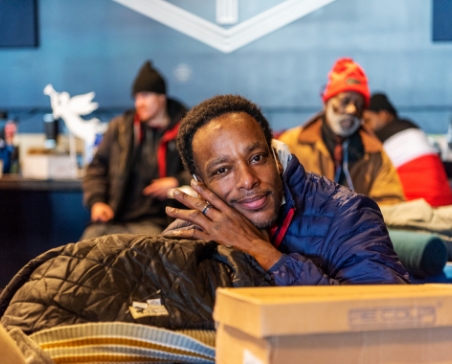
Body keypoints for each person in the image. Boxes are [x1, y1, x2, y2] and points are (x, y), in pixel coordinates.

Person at [162, 94, 409, 285]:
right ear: (201, 183)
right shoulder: (193, 231)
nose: (248, 180)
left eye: (257, 158)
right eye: (223, 170)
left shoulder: (351, 216)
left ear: (276, 156)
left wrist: (264, 253)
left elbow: (387, 313)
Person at [81, 61, 190, 239]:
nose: (139, 103)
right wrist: (97, 202)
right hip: (115, 218)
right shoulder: (121, 128)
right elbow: (96, 168)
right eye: (136, 97)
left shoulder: (187, 129)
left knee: (139, 255)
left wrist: (176, 182)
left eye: (145, 96)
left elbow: (203, 173)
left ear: (161, 97)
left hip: (158, 222)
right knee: (84, 251)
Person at [278, 58, 405, 206]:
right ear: (326, 103)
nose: (352, 110)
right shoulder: (292, 144)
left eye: (358, 104)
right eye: (345, 101)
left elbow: (392, 204)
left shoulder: (376, 154)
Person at [363, 93, 452, 207]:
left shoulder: (376, 140)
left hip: (413, 206)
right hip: (445, 203)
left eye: (367, 120)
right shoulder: (413, 128)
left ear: (384, 115)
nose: (366, 127)